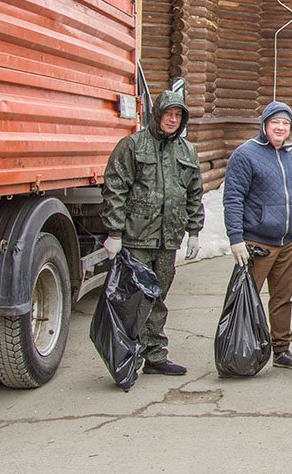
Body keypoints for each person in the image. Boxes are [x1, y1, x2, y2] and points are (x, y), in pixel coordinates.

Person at [101, 90, 204, 376]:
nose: (173, 119)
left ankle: (155, 356)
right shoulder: (133, 146)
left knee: (158, 299)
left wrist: (194, 230)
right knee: (133, 299)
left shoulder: (187, 152)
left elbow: (194, 193)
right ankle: (127, 357)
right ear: (157, 114)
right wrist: (114, 232)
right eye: (168, 114)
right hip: (135, 238)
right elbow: (115, 189)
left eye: (178, 115)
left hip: (168, 239)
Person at [222, 101, 292, 370]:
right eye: (275, 122)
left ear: (291, 128)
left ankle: (281, 349)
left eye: (285, 123)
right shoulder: (245, 155)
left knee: (282, 298)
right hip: (256, 243)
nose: (280, 127)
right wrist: (236, 239)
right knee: (245, 297)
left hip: (288, 242)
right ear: (264, 125)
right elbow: (233, 199)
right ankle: (241, 348)